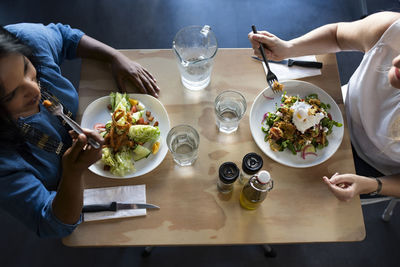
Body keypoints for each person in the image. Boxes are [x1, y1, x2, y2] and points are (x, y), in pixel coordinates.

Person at [0, 22, 160, 238]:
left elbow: (67, 37)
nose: (33, 89)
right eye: (11, 95)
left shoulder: (24, 40)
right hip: (70, 198)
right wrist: (73, 173)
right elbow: (50, 223)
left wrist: (114, 57)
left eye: (27, 69)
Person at [248, 11, 400, 201]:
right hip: (339, 108)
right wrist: (288, 48)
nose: (397, 61)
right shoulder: (393, 29)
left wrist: (373, 184)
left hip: (372, 171)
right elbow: (337, 35)